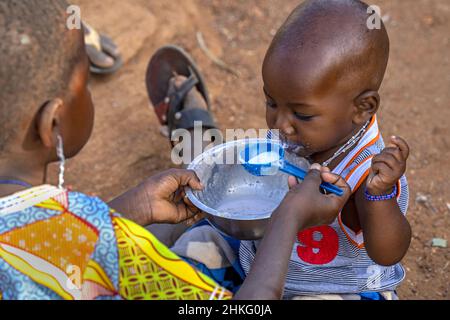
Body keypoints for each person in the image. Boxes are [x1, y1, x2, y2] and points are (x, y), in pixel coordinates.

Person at [0, 0, 351, 300]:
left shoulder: (42, 228)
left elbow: (48, 239)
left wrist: (130, 208)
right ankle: (197, 134)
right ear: (53, 124)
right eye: (85, 85)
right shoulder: (136, 261)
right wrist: (287, 220)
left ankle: (196, 135)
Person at [160, 0, 411, 300]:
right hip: (254, 264)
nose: (280, 124)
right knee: (196, 246)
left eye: (302, 115)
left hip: (334, 290)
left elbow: (387, 252)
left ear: (362, 107)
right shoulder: (296, 134)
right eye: (271, 103)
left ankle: (194, 124)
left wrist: (378, 197)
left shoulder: (368, 171)